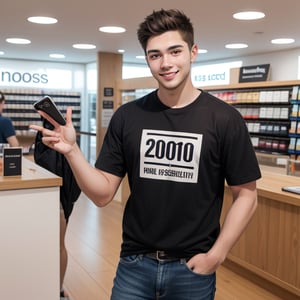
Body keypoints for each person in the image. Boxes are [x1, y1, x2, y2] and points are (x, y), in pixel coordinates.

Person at [30, 9, 261, 300]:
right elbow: (102, 195)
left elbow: (247, 195)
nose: (165, 63)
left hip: (192, 270)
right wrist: (72, 151)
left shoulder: (225, 119)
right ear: (147, 60)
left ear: (193, 52)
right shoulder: (128, 116)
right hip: (134, 265)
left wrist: (217, 255)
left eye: (174, 51)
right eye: (155, 55)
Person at [34, 118, 81, 300]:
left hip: (53, 199)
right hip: (59, 199)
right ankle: (57, 289)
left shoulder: (48, 140)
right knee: (58, 246)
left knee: (56, 246)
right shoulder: (51, 139)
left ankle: (56, 289)